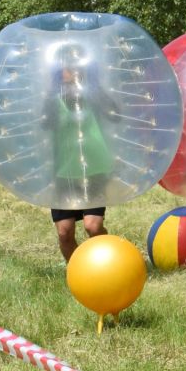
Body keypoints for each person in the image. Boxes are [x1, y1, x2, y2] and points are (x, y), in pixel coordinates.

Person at [49, 59, 111, 262]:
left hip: (93, 170)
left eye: (77, 73)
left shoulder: (94, 97)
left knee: (92, 226)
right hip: (63, 174)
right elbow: (40, 130)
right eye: (69, 74)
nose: (73, 76)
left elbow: (117, 115)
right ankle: (78, 272)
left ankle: (109, 261)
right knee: (65, 233)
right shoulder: (52, 102)